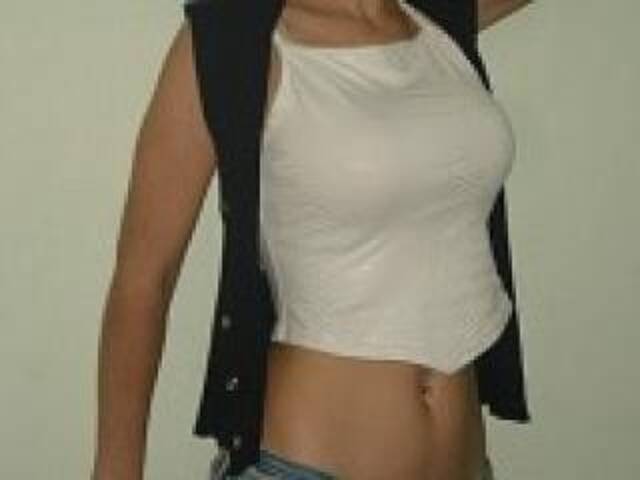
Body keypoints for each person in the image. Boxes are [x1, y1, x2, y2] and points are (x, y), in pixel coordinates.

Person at [91, 1, 533, 479]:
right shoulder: (234, 37)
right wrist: (117, 470)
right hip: (301, 464)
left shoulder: (434, 16)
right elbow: (144, 280)